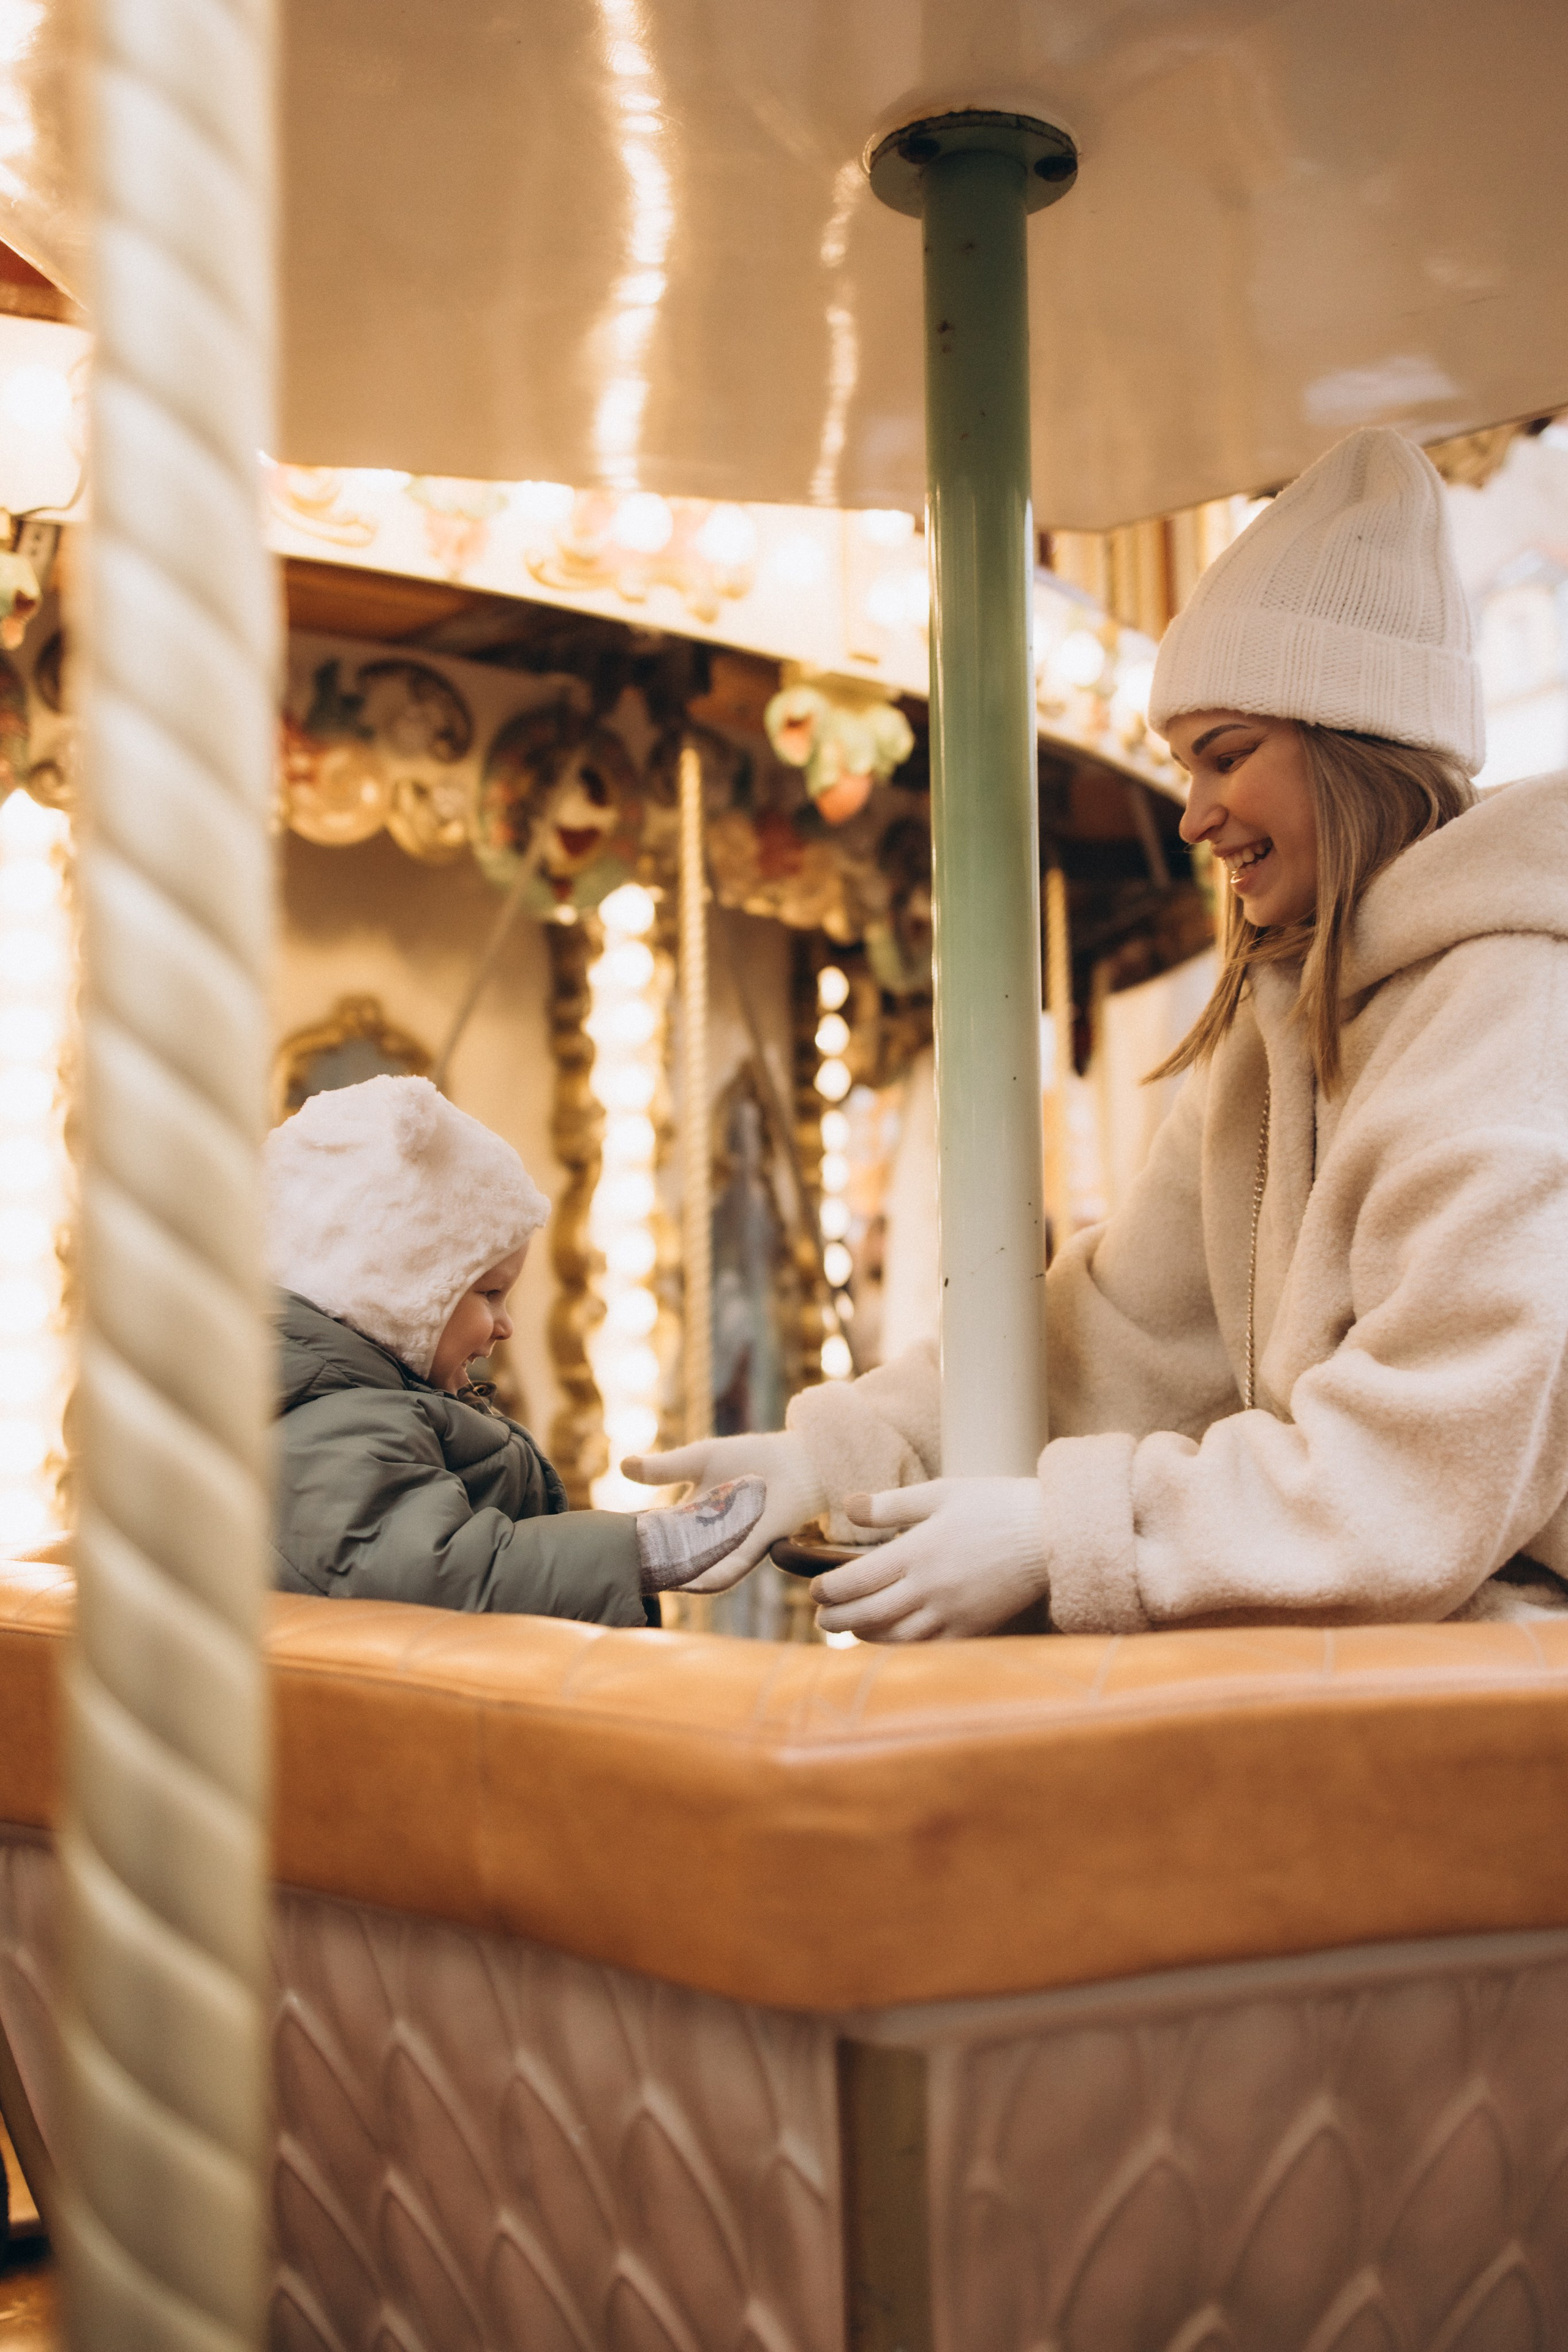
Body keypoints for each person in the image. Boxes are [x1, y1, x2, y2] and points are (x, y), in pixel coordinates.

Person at [627, 426, 1568, 1638]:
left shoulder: (1508, 1011)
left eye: (1225, 755)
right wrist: (844, 1445)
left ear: (1352, 748)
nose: (1192, 816)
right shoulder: (1276, 1028)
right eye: (1183, 766)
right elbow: (1109, 1337)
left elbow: (1420, 1469)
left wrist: (1061, 1535)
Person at [268, 1075, 759, 1623]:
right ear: (396, 1289)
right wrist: (646, 1549)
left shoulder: (364, 1403)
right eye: (490, 1294)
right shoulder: (334, 1424)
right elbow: (434, 1576)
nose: (505, 1327)